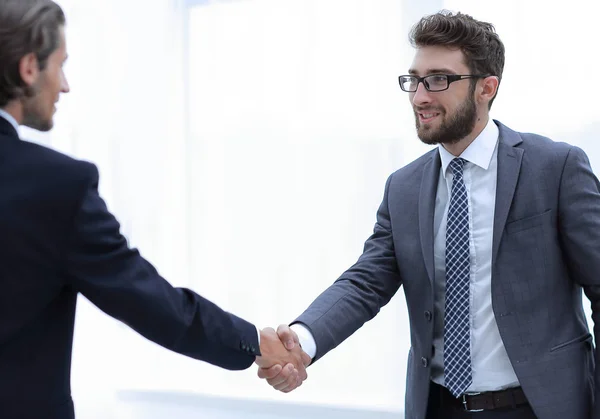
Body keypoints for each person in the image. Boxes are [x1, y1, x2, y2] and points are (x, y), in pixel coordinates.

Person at [258, 10, 600, 419]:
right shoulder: (403, 187)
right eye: (414, 80)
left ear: (486, 88)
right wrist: (301, 342)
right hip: (437, 407)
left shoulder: (555, 168)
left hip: (541, 407)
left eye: (439, 79)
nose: (420, 96)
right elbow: (365, 282)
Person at [0, 1, 309, 418]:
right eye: (61, 64)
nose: (66, 85)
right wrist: (255, 342)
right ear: (28, 69)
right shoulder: (56, 186)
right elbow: (148, 301)